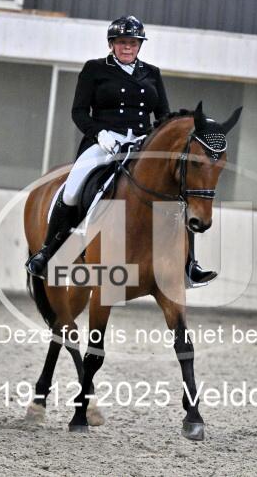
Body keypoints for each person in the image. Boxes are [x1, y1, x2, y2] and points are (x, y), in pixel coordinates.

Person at [26, 15, 217, 286]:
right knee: (72, 189)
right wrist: (99, 134)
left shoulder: (152, 73)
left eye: (133, 43)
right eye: (122, 42)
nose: (128, 47)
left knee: (180, 191)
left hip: (142, 144)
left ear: (139, 46)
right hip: (104, 142)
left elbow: (163, 115)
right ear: (111, 44)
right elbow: (79, 112)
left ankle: (189, 264)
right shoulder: (94, 69)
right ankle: (48, 252)